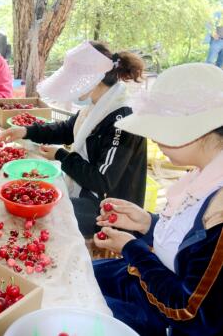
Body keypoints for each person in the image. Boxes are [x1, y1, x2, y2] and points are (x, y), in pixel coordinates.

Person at [93, 63, 223, 336]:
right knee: (75, 277)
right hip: (146, 286)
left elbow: (190, 312)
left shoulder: (219, 212)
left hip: (169, 321)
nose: (153, 138)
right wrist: (146, 224)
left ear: (199, 133)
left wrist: (132, 248)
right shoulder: (203, 176)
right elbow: (187, 247)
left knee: (77, 303)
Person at [0, 41, 147, 237]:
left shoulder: (123, 119)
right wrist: (26, 131)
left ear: (94, 79)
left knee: (43, 215)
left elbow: (103, 181)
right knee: (30, 200)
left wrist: (62, 155)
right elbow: (65, 129)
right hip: (86, 189)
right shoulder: (96, 106)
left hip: (109, 209)